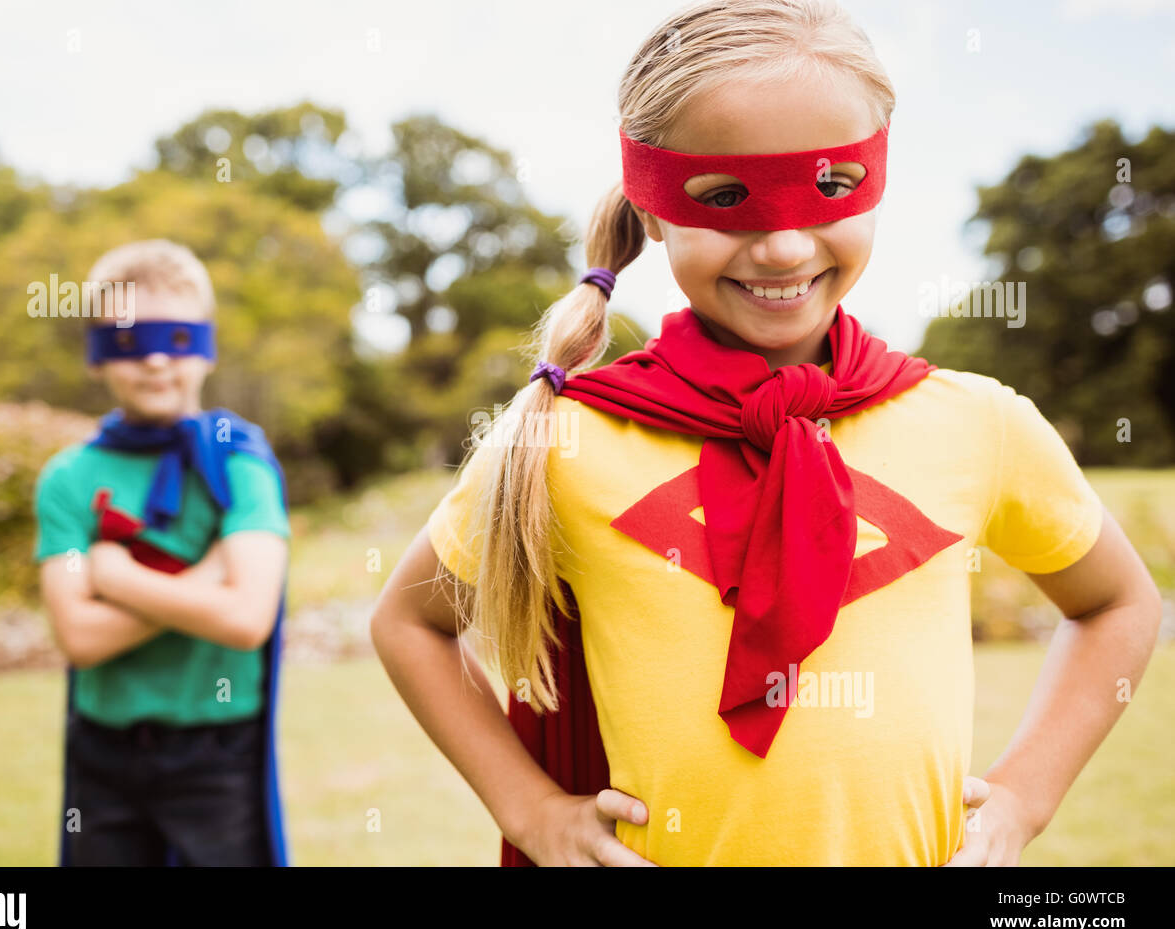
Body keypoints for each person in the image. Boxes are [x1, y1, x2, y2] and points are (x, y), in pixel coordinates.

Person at [369, 0, 1162, 866]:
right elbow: (410, 624)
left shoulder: (977, 421)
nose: (783, 246)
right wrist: (530, 811)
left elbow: (1118, 602)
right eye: (725, 198)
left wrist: (1022, 798)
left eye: (830, 186)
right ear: (654, 206)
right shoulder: (564, 438)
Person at [33, 239, 292, 866]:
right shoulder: (68, 478)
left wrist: (116, 578)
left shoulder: (241, 465)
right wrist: (206, 582)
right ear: (97, 355)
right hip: (104, 752)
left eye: (173, 338)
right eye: (128, 339)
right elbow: (80, 637)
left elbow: (245, 620)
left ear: (205, 343)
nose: (153, 360)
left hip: (218, 752)